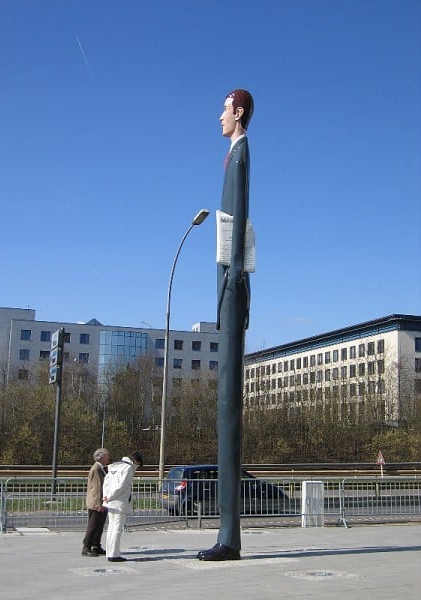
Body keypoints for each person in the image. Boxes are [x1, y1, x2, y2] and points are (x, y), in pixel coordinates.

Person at [198, 89, 254, 562]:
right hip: (227, 281)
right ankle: (226, 534)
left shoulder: (240, 154)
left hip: (231, 283)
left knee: (228, 404)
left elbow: (238, 218)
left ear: (238, 113)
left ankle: (229, 535)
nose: (218, 116)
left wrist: (234, 273)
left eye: (223, 108)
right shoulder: (231, 154)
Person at [102, 451, 144, 562]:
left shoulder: (113, 467)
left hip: (110, 502)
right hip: (120, 502)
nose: (137, 468)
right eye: (138, 465)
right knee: (117, 528)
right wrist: (110, 496)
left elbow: (106, 483)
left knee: (111, 527)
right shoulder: (128, 468)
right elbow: (122, 486)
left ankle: (109, 551)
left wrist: (106, 496)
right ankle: (114, 554)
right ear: (135, 461)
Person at [82, 447, 111, 557]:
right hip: (96, 503)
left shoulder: (102, 468)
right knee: (93, 525)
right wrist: (99, 504)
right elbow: (97, 488)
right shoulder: (96, 469)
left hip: (100, 502)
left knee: (99, 525)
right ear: (102, 457)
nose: (109, 457)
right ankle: (86, 547)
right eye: (107, 455)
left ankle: (96, 545)